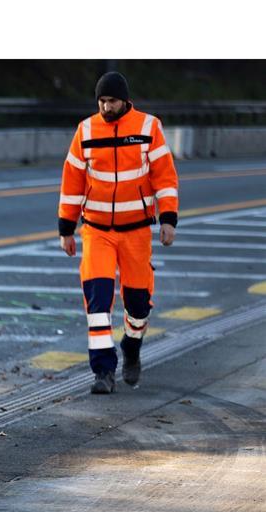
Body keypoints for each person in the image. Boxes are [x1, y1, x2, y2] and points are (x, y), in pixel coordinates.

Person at [58, 71, 179, 394]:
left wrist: (168, 218)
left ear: (124, 100)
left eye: (111, 101)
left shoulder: (147, 127)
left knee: (138, 303)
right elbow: (72, 183)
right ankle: (103, 371)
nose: (105, 107)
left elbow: (164, 177)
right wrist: (66, 228)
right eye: (101, 101)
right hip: (96, 230)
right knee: (97, 301)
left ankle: (132, 345)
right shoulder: (85, 130)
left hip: (136, 231)